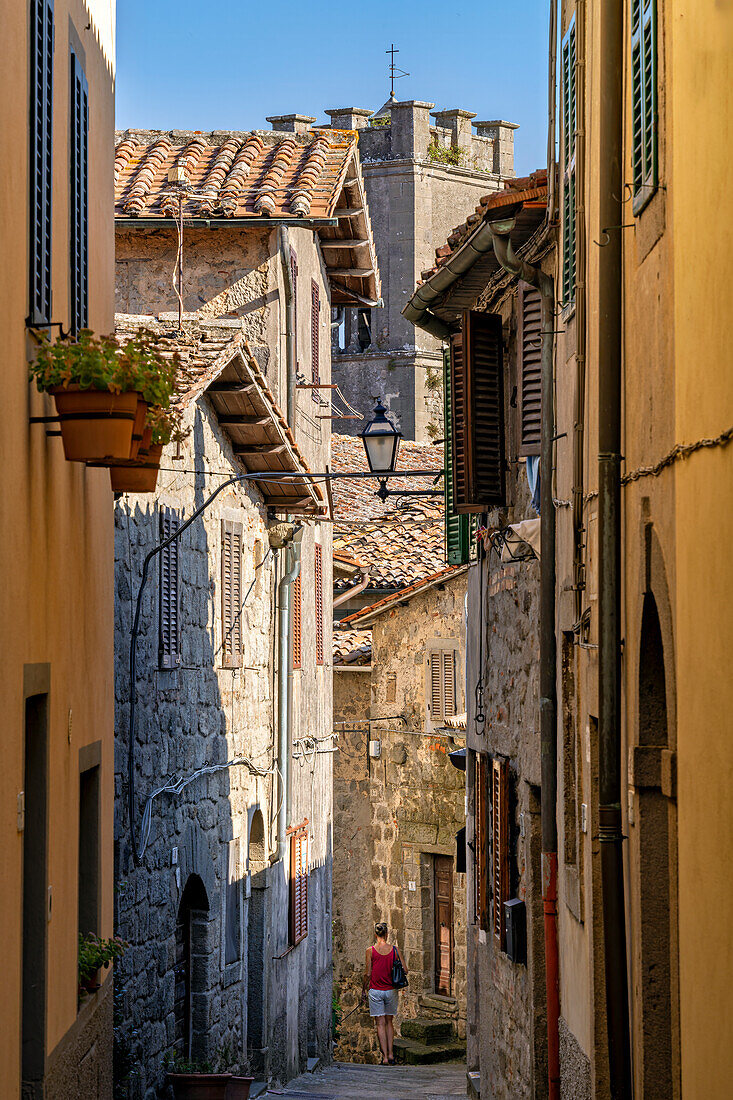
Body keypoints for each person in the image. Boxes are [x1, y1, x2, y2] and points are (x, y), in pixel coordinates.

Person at [362, 921, 403, 1065]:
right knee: (389, 1022)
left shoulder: (370, 951)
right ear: (387, 934)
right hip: (390, 990)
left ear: (375, 934)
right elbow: (405, 969)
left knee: (380, 1023)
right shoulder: (395, 950)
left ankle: (384, 1057)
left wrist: (363, 988)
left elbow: (367, 973)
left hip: (375, 991)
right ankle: (391, 1055)